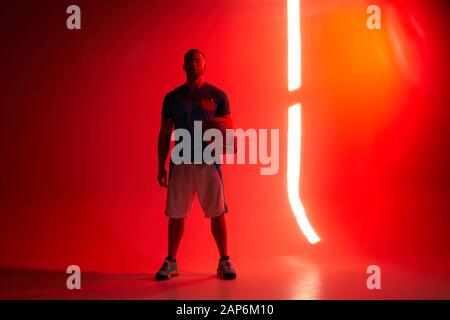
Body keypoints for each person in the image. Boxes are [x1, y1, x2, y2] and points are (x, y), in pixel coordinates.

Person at [155, 49, 237, 281]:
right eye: (189, 61)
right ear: (183, 66)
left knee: (217, 212)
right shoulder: (172, 98)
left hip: (208, 162)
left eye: (197, 60)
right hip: (180, 161)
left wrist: (220, 139)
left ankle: (224, 260)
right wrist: (160, 165)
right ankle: (171, 261)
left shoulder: (218, 96)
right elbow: (164, 133)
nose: (193, 63)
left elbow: (228, 129)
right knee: (176, 214)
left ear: (204, 65)